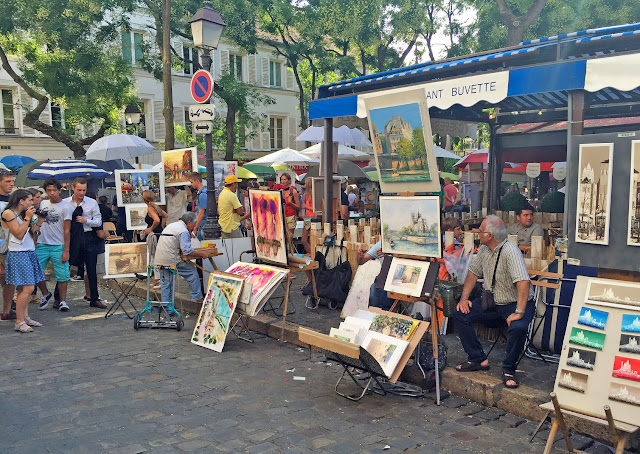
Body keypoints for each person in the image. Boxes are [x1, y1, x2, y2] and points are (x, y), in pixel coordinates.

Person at [453, 215, 535, 389]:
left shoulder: (510, 251)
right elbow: (472, 274)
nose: (478, 234)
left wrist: (520, 311)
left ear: (489, 235)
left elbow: (523, 282)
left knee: (518, 327)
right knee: (460, 313)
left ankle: (508, 370)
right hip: (493, 303)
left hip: (516, 303)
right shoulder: (484, 250)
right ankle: (477, 359)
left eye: (481, 232)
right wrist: (464, 299)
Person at [1, 189, 45, 332]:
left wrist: (39, 221)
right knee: (28, 288)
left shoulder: (22, 215)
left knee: (23, 288)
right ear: (21, 201)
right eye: (30, 200)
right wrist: (27, 218)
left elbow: (32, 235)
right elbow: (19, 234)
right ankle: (19, 321)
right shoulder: (9, 214)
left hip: (29, 252)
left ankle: (25, 317)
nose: (32, 203)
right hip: (17, 254)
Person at [64, 177, 106, 309]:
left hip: (88, 236)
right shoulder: (65, 203)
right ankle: (59, 298)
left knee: (91, 268)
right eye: (79, 190)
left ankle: (94, 297)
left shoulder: (92, 203)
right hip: (72, 236)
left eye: (84, 190)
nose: (81, 193)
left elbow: (98, 222)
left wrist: (86, 221)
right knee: (66, 265)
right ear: (73, 188)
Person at [153, 212, 211, 303]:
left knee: (166, 284)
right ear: (189, 223)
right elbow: (187, 251)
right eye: (194, 224)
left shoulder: (173, 225)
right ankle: (197, 297)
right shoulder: (183, 230)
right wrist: (202, 254)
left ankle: (166, 308)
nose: (194, 226)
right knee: (192, 273)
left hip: (160, 259)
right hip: (172, 260)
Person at [35, 178, 72, 312]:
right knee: (36, 271)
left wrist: (66, 250)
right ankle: (45, 293)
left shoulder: (66, 207)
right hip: (41, 244)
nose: (52, 193)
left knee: (62, 275)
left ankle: (62, 301)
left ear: (59, 190)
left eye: (54, 190)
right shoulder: (43, 203)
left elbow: (67, 230)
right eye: (49, 190)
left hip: (58, 245)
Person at [0, 169, 16, 321]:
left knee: (8, 280)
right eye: (8, 181)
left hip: (11, 247)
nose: (11, 184)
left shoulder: (13, 200)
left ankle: (6, 310)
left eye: (12, 181)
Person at [358, 240, 391, 310]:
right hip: (385, 276)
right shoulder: (380, 244)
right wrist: (361, 256)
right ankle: (373, 314)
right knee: (374, 288)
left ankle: (387, 312)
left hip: (401, 276)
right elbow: (362, 261)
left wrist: (392, 252)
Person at [217, 175, 244, 239]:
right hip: (232, 226)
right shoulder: (232, 195)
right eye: (236, 184)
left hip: (223, 225)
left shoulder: (221, 194)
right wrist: (235, 210)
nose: (237, 187)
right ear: (233, 184)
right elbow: (240, 211)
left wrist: (234, 210)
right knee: (241, 247)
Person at [188, 172, 207, 240]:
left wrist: (195, 228)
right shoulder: (204, 192)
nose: (191, 184)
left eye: (192, 182)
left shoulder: (202, 195)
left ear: (197, 181)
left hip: (203, 224)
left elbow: (201, 214)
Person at [300, 178, 316, 254]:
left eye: (306, 183)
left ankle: (311, 253)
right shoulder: (306, 195)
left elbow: (315, 209)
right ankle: (311, 253)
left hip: (311, 217)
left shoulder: (311, 195)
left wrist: (305, 206)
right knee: (307, 239)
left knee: (305, 239)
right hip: (308, 217)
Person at [240, 181, 259, 249]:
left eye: (245, 191)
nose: (243, 193)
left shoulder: (256, 198)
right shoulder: (246, 198)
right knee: (250, 238)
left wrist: (241, 219)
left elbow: (253, 211)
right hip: (248, 220)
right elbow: (246, 210)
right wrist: (244, 221)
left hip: (255, 221)